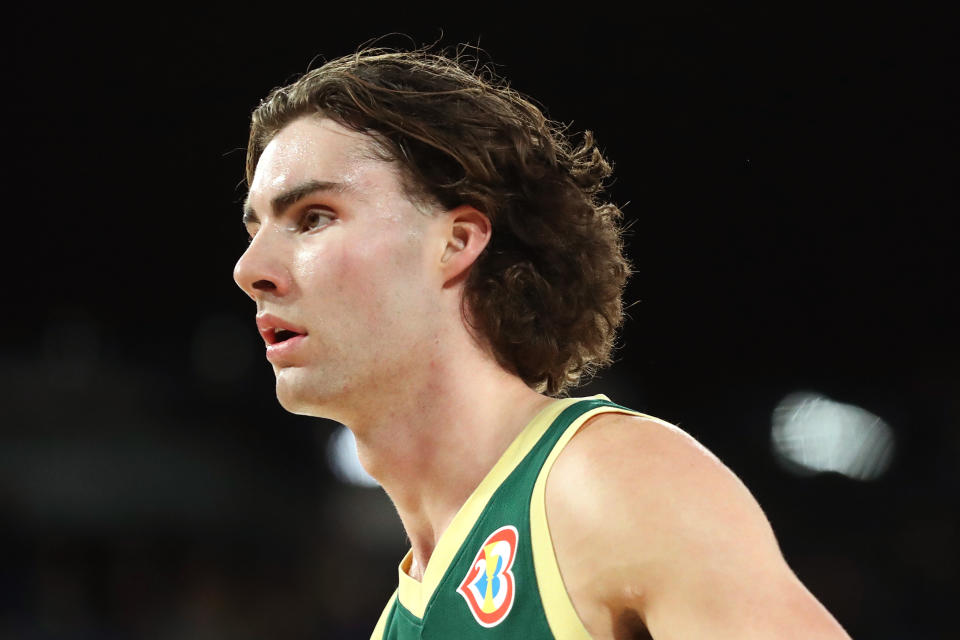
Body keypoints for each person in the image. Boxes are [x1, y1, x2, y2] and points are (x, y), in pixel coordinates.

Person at [233, 47, 851, 639]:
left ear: (456, 242)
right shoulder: (400, 617)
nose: (248, 268)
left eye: (313, 217)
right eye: (254, 228)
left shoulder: (606, 482)